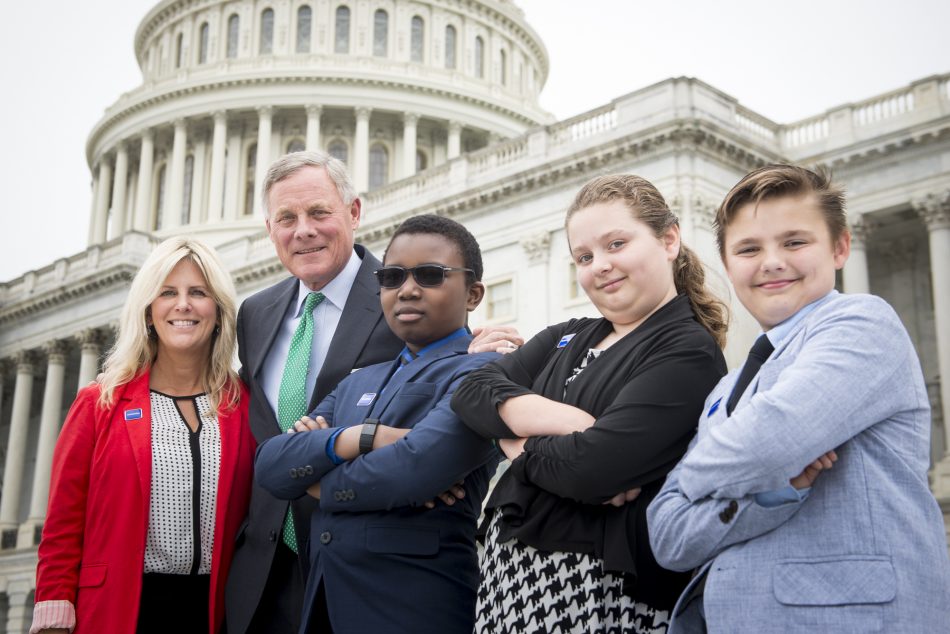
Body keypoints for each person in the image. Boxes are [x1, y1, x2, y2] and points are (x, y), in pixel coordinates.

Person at [225, 151, 522, 633]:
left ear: (354, 213)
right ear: (270, 228)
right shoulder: (256, 312)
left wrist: (317, 480)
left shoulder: (429, 323)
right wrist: (366, 437)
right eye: (287, 218)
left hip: (400, 586)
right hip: (275, 571)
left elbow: (417, 465)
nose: (303, 230)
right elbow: (271, 455)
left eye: (319, 212)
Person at [647, 164, 950, 633]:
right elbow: (666, 536)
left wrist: (683, 483)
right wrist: (765, 489)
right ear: (728, 265)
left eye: (794, 242)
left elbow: (770, 442)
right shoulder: (725, 390)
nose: (771, 261)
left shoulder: (864, 323)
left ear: (840, 247)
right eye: (749, 248)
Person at [451, 174, 729, 633]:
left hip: (598, 590)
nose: (600, 265)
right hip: (510, 582)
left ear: (669, 240)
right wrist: (566, 421)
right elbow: (469, 392)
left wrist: (512, 442)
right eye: (584, 256)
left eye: (616, 244)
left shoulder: (687, 349)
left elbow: (594, 469)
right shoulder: (567, 336)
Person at [30, 237, 255, 634]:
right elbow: (63, 522)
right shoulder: (100, 403)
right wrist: (53, 609)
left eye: (198, 293)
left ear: (219, 312)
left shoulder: (243, 405)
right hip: (121, 608)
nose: (182, 305)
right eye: (167, 292)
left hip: (215, 612)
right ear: (149, 311)